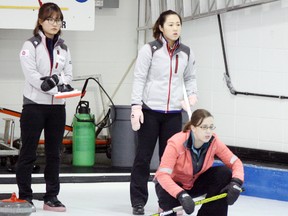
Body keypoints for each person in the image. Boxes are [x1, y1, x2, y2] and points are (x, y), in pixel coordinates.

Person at [130, 10, 198, 215]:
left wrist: (192, 95)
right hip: (150, 111)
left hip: (173, 114)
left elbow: (190, 77)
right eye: (170, 24)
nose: (175, 28)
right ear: (160, 27)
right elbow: (139, 78)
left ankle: (166, 201)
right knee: (143, 158)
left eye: (178, 24)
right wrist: (136, 106)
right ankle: (138, 202)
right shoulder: (149, 50)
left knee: (170, 161)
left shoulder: (186, 51)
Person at [17, 2, 73, 212]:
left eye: (58, 20)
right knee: (28, 153)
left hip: (58, 108)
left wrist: (57, 83)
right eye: (50, 19)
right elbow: (33, 77)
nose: (54, 23)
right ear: (40, 21)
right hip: (34, 107)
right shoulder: (29, 45)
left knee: (54, 153)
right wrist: (52, 85)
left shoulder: (64, 47)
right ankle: (25, 196)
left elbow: (68, 73)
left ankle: (51, 197)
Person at [154, 109, 244, 216]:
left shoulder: (214, 141)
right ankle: (165, 206)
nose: (208, 131)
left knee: (223, 173)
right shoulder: (176, 142)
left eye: (211, 127)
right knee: (171, 207)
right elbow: (162, 175)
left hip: (193, 183)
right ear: (193, 128)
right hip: (171, 186)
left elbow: (236, 162)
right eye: (204, 127)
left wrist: (236, 182)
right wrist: (180, 194)